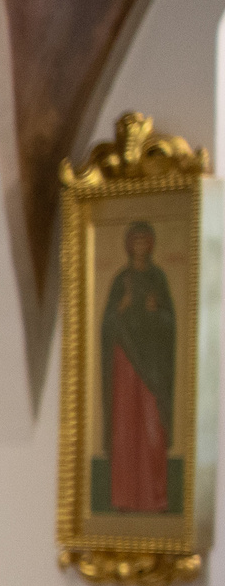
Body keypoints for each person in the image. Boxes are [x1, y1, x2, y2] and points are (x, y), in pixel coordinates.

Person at [102, 220, 175, 513]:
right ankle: (124, 498)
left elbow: (170, 323)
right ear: (129, 245)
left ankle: (155, 498)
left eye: (145, 240)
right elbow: (107, 326)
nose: (141, 246)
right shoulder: (121, 280)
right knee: (125, 428)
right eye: (136, 240)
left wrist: (156, 312)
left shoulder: (158, 279)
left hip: (152, 367)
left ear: (151, 244)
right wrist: (121, 308)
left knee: (152, 426)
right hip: (125, 362)